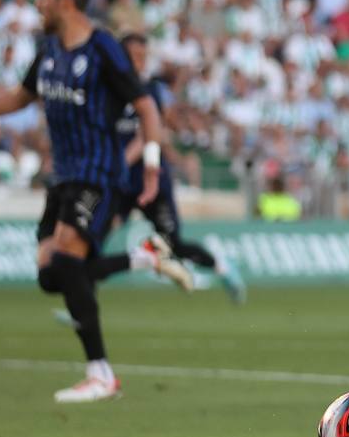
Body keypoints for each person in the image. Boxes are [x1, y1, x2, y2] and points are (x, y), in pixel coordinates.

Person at [0, 0, 163, 403]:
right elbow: (15, 98)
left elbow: (146, 106)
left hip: (99, 174)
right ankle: (141, 258)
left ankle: (101, 374)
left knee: (66, 256)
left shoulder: (102, 47)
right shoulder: (47, 51)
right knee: (51, 273)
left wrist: (152, 164)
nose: (37, 4)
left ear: (66, 2)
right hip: (63, 176)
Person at [81, 33, 246, 303]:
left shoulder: (149, 91)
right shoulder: (107, 91)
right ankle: (83, 306)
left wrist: (119, 163)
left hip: (151, 182)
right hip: (119, 184)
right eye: (134, 56)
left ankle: (223, 267)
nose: (140, 62)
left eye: (143, 56)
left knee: (173, 244)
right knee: (94, 241)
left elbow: (147, 135)